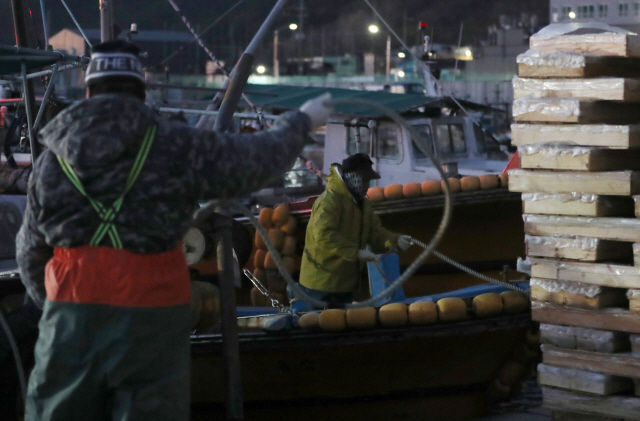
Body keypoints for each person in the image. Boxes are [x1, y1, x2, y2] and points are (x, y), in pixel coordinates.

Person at [16, 40, 332, 421]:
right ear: (140, 89)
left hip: (70, 310)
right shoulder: (174, 145)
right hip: (151, 313)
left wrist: (58, 303)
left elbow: (30, 251)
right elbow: (254, 161)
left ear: (88, 90)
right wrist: (301, 120)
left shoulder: (51, 159)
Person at [296, 153, 412, 308]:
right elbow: (324, 235)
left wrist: (395, 240)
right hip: (320, 284)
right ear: (351, 177)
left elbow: (375, 233)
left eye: (368, 180)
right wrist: (356, 252)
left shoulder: (363, 205)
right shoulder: (329, 200)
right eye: (364, 179)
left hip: (344, 285)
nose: (367, 184)